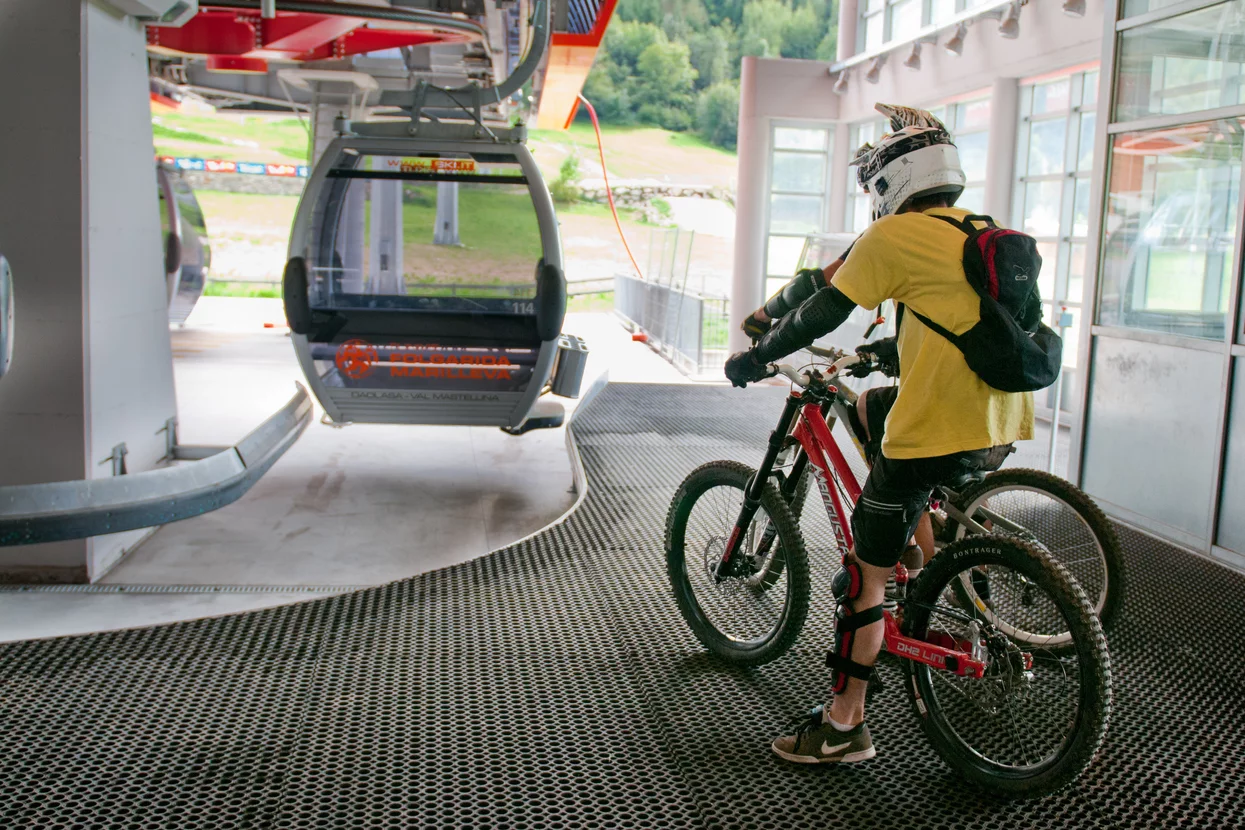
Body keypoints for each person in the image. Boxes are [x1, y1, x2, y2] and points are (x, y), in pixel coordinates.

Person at [724, 103, 1035, 765]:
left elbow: (820, 310)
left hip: (933, 432)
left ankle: (843, 726)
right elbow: (956, 324)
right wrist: (889, 354)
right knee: (872, 411)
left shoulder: (893, 239)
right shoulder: (977, 230)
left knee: (860, 581)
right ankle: (918, 561)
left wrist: (754, 357)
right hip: (999, 421)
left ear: (892, 180)